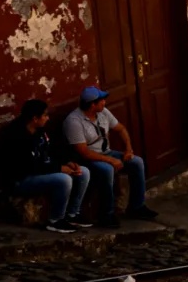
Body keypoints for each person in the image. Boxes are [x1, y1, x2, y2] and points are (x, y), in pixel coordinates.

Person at [64, 87, 158, 228]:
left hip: (106, 152)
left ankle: (137, 206)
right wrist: (110, 160)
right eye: (101, 100)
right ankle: (106, 214)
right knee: (107, 170)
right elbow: (83, 152)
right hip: (88, 159)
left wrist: (128, 149)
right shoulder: (74, 121)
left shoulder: (103, 112)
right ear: (92, 105)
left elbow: (121, 129)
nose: (104, 102)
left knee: (137, 162)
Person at [3, 99, 91, 233]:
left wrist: (67, 162)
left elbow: (52, 152)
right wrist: (60, 169)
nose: (48, 118)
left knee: (83, 172)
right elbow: (30, 167)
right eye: (45, 115)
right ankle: (55, 220)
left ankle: (73, 214)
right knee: (64, 179)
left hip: (44, 171)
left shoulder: (41, 131)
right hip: (22, 179)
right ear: (35, 118)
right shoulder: (16, 136)